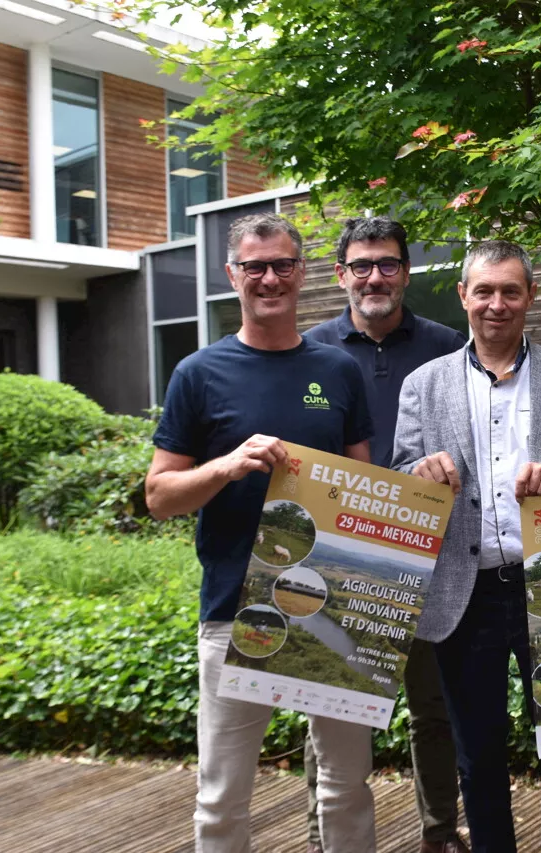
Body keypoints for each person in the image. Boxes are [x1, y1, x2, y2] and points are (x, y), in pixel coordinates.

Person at [145, 212, 378, 853]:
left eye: (282, 264)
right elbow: (158, 496)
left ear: (302, 273)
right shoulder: (198, 373)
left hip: (332, 606)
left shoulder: (338, 370)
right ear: (233, 276)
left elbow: (366, 486)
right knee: (222, 797)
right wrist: (224, 465)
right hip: (234, 607)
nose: (269, 278)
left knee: (347, 786)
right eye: (255, 267)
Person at [391, 240, 541, 853]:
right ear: (463, 295)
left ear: (531, 297)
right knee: (479, 754)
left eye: (511, 291)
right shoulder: (424, 384)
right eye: (485, 291)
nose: (497, 304)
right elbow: (402, 476)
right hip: (463, 596)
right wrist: (420, 474)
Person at [303, 216, 469, 853]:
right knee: (333, 706)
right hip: (338, 557)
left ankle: (439, 832)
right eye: (363, 265)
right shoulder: (311, 350)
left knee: (434, 707)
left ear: (406, 272)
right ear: (342, 274)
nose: (376, 277)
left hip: (430, 556)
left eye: (389, 264)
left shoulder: (449, 347)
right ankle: (323, 834)